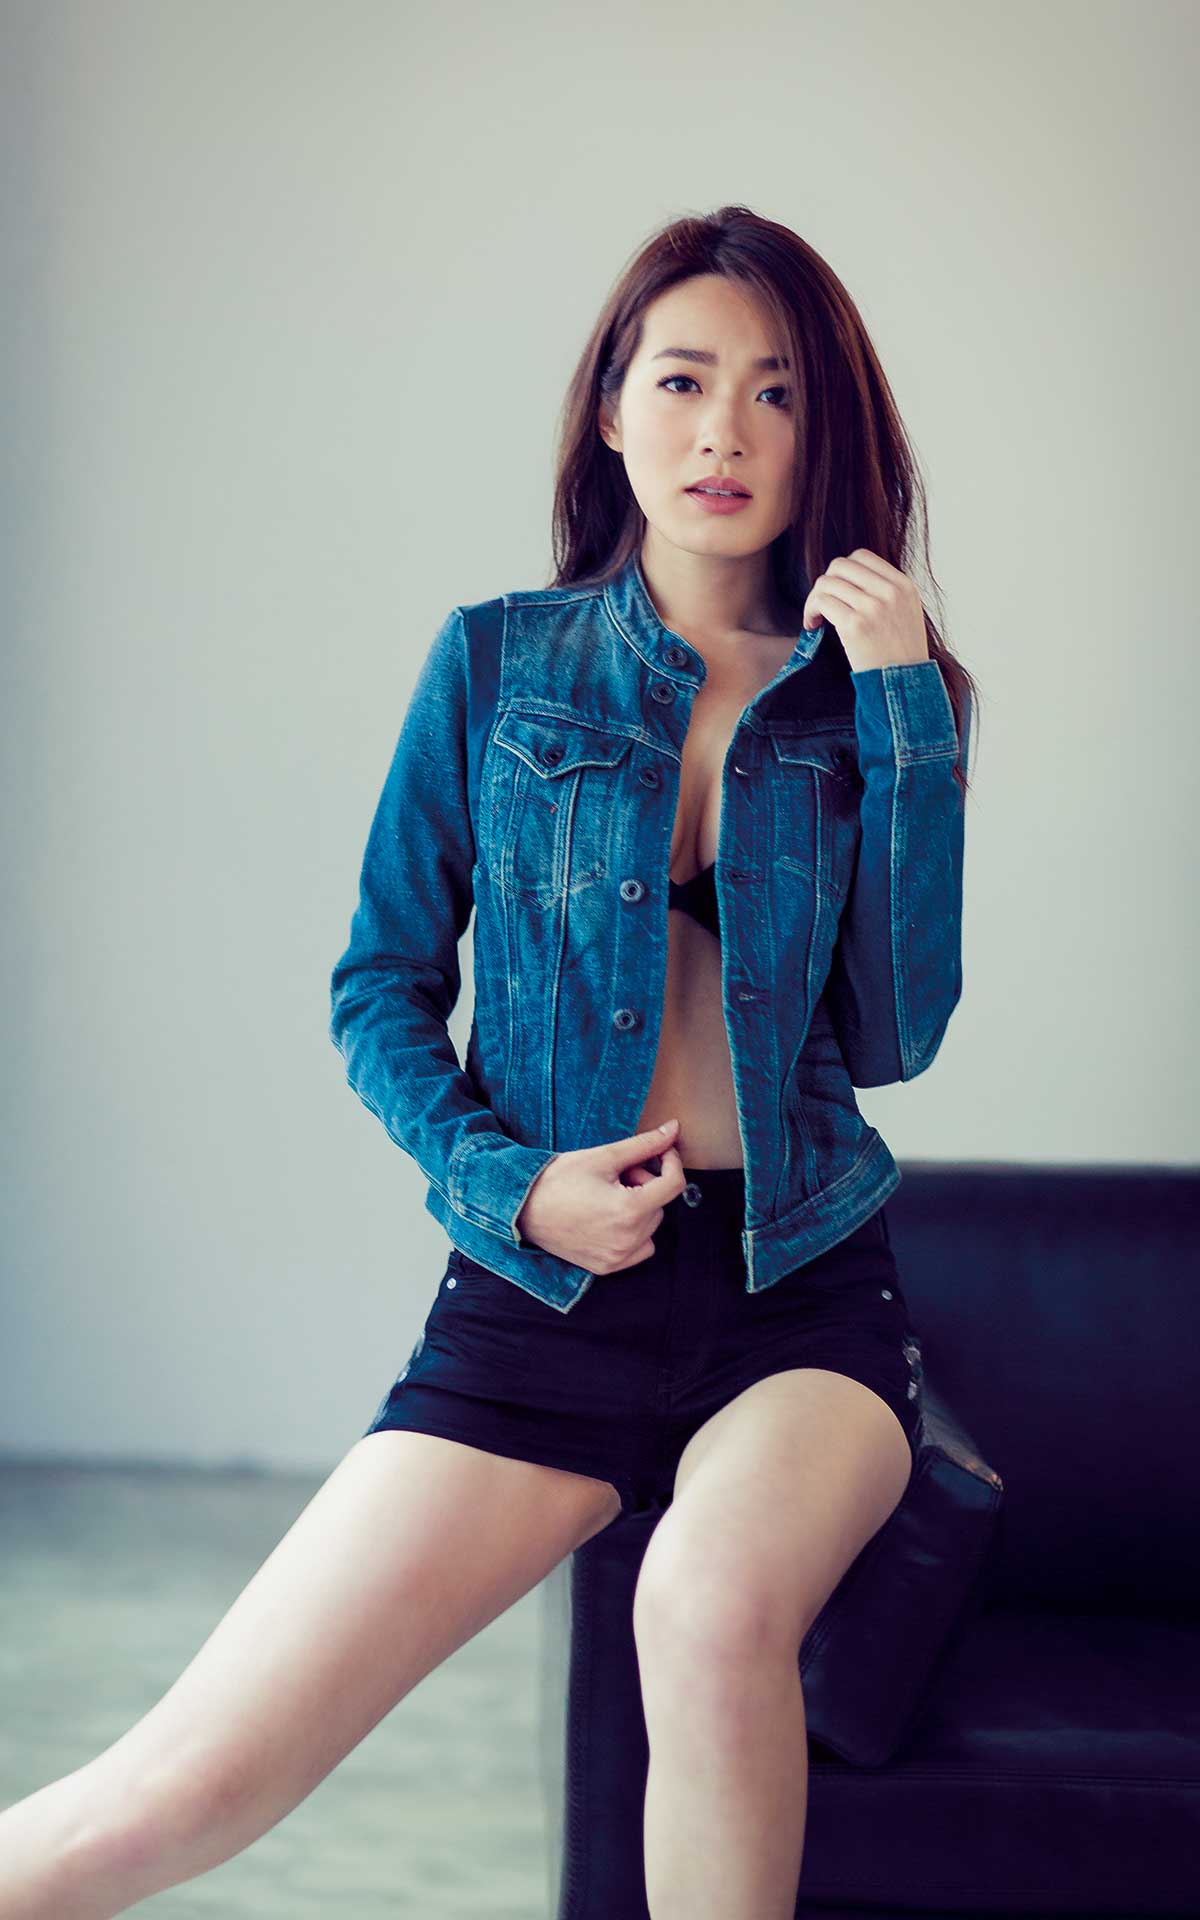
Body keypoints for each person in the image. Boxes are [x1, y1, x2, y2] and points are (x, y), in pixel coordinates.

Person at [0, 204, 975, 1920]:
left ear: (825, 426)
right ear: (612, 410)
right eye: (683, 381)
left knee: (706, 1607)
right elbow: (379, 986)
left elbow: (895, 1034)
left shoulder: (883, 701)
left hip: (803, 1303)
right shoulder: (498, 663)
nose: (726, 432)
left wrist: (904, 715)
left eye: (775, 392)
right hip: (539, 1305)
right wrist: (510, 1189)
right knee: (185, 1785)